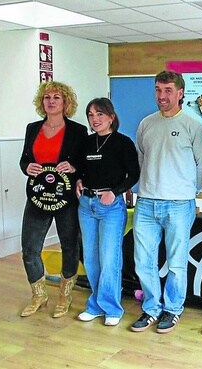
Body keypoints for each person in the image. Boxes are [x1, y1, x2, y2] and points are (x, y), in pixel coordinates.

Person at [130, 70, 202, 334]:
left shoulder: (192, 125)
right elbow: (142, 158)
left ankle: (173, 309)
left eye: (167, 91)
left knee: (176, 262)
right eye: (158, 90)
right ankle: (151, 308)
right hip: (147, 203)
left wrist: (190, 191)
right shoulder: (146, 124)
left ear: (180, 93)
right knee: (144, 260)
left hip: (178, 204)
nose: (162, 96)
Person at [19, 81, 87, 318]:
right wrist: (27, 168)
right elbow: (24, 160)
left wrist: (75, 166)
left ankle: (64, 296)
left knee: (70, 246)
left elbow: (84, 162)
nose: (51, 101)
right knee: (29, 248)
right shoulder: (32, 128)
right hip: (38, 197)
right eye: (47, 97)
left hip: (66, 198)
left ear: (66, 102)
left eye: (56, 97)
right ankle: (39, 295)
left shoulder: (78, 131)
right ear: (42, 102)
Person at [76, 98, 139, 326]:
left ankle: (112, 307)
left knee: (109, 258)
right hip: (86, 205)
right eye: (91, 115)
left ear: (111, 116)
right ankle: (95, 305)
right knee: (91, 258)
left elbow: (133, 175)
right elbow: (79, 168)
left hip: (110, 206)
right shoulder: (86, 143)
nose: (95, 119)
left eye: (100, 114)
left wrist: (115, 192)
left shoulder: (123, 143)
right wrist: (78, 180)